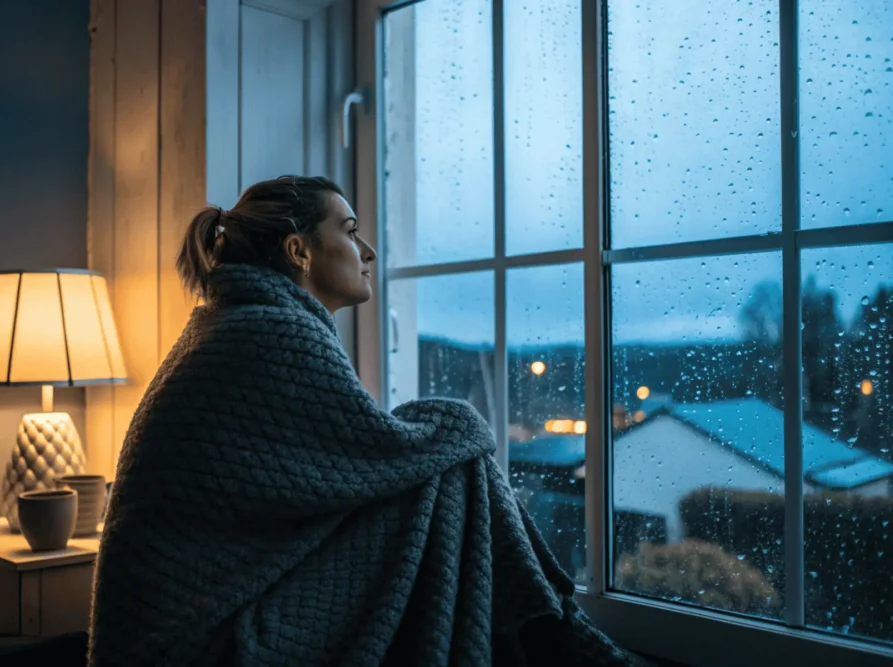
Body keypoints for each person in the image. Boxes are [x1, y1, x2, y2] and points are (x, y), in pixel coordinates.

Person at [88, 175, 645, 666]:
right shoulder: (274, 332)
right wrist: (462, 420)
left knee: (447, 471)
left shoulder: (234, 321)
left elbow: (347, 474)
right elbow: (390, 456)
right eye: (350, 231)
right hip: (203, 640)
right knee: (450, 473)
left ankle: (553, 631)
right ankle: (557, 633)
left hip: (174, 629)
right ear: (298, 249)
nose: (369, 250)